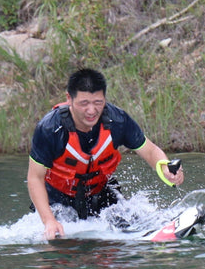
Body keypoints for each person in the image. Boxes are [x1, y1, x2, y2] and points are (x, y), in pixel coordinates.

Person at [27, 68, 184, 239]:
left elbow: (150, 150)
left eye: (98, 102)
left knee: (127, 226)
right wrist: (49, 220)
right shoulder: (50, 129)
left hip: (101, 195)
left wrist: (165, 167)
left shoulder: (117, 121)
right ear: (69, 99)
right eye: (84, 103)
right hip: (58, 202)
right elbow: (35, 178)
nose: (91, 111)